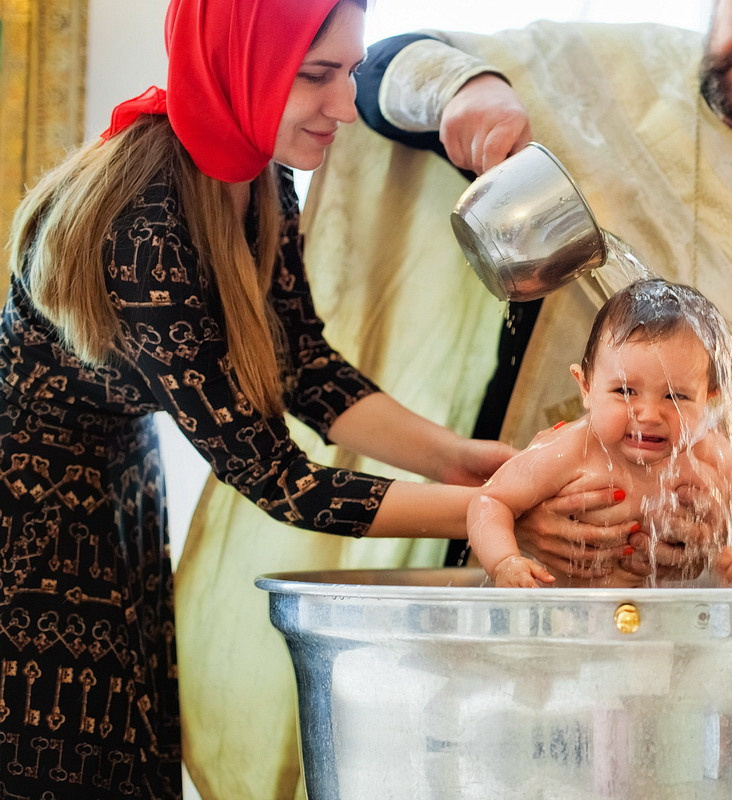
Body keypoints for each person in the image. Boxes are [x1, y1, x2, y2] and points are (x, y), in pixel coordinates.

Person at [180, 1, 732, 795]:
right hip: (528, 600)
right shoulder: (603, 73)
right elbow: (381, 67)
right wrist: (468, 92)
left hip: (694, 629)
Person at [0, 1, 517, 797]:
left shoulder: (261, 176)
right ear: (239, 65)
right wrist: (488, 510)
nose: (346, 106)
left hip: (115, 490)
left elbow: (303, 366)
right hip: (28, 524)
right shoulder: (145, 226)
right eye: (318, 76)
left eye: (349, 72)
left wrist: (460, 462)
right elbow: (279, 478)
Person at [471, 279, 732, 589]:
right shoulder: (570, 451)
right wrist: (504, 562)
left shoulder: (705, 450)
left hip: (667, 616)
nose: (649, 415)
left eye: (676, 396)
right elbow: (490, 501)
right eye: (625, 391)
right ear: (586, 387)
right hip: (575, 613)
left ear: (708, 399)